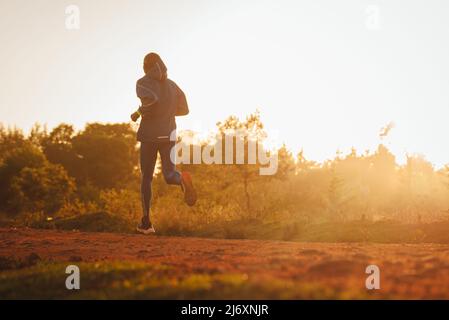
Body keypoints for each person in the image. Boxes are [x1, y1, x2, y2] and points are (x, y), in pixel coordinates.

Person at [132, 52, 197, 235]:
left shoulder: (142, 82)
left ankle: (146, 223)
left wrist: (138, 112)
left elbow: (152, 101)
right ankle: (182, 181)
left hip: (149, 136)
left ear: (145, 67)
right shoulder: (172, 85)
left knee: (146, 177)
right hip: (168, 135)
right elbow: (185, 109)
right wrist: (167, 112)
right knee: (169, 174)